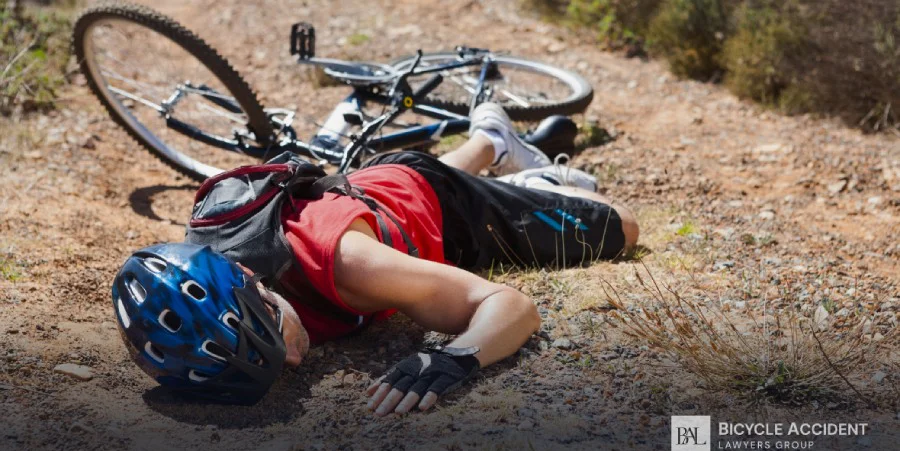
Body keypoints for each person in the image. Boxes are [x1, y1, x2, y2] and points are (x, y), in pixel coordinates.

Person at [112, 103, 639, 415]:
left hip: (446, 212)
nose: (293, 361)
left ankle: (533, 181)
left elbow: (510, 303)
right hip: (376, 184)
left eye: (273, 335)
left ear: (253, 279)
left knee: (622, 226)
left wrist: (453, 358)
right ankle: (491, 139)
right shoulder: (202, 277)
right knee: (418, 175)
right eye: (270, 367)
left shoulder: (346, 263)